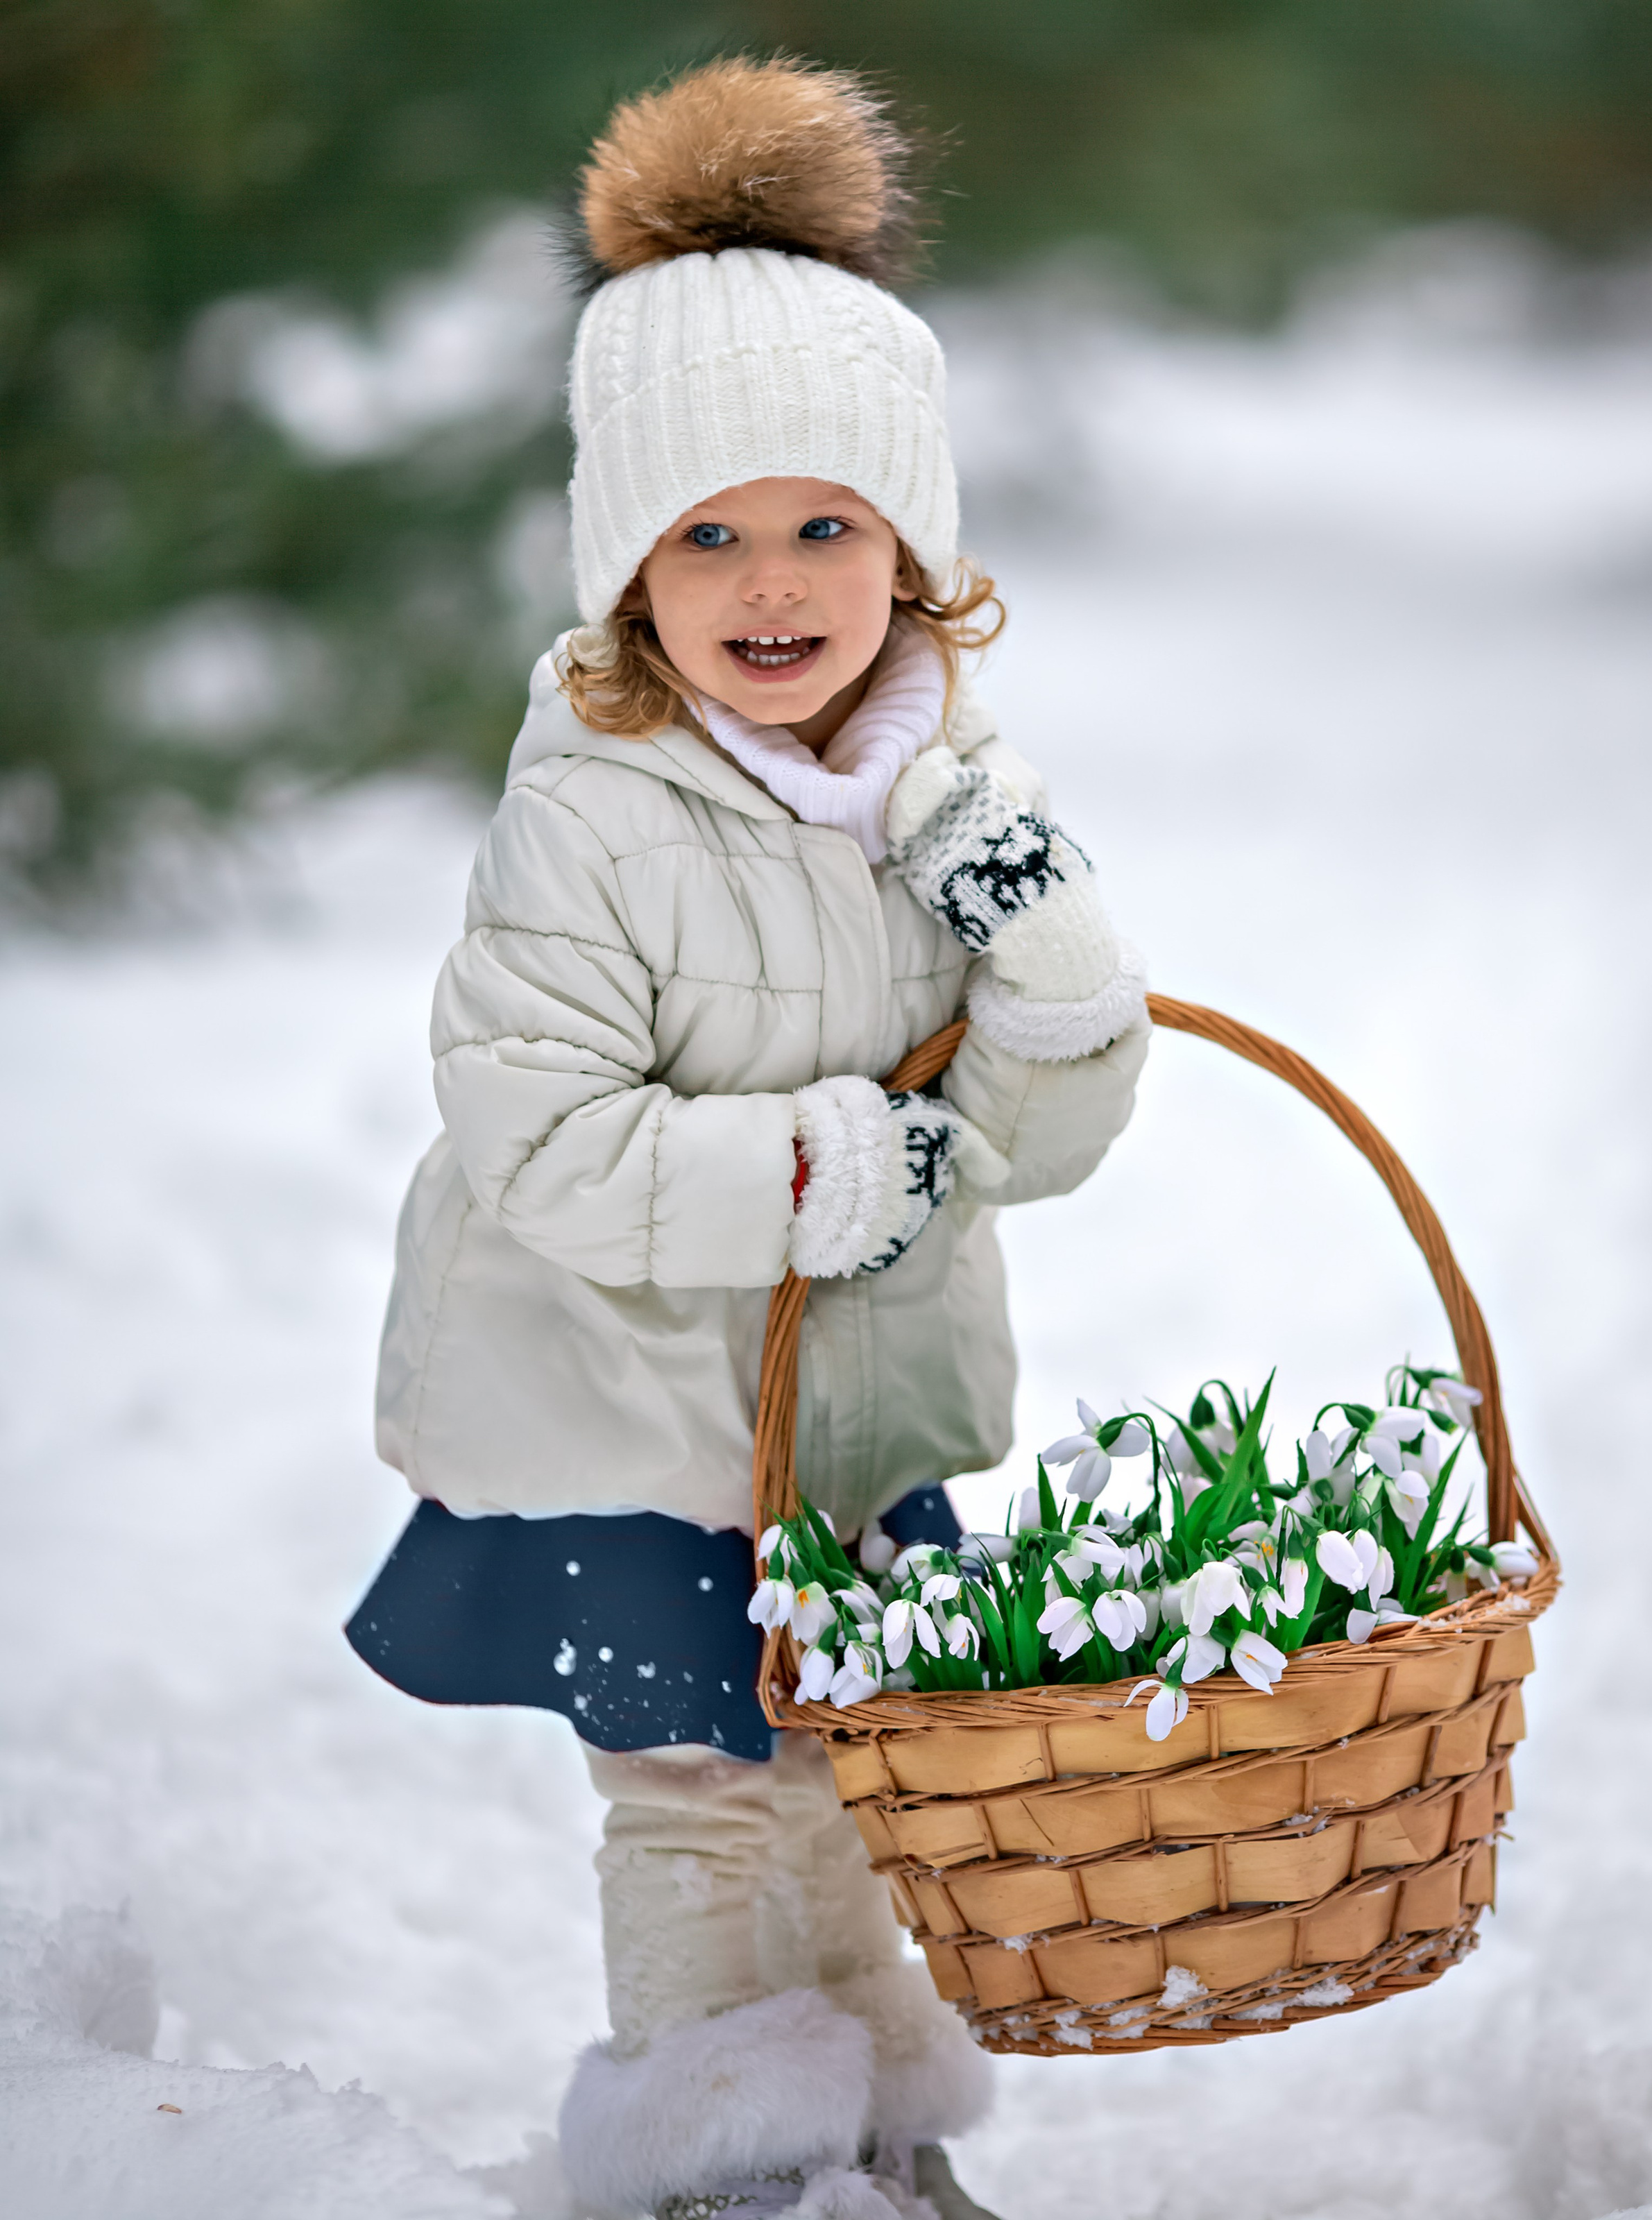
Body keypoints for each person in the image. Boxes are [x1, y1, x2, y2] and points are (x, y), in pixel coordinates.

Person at [350, 56, 1148, 2220]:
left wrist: (1050, 966)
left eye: (826, 523)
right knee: (701, 1783)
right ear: (627, 570)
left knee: (845, 1775)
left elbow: (1022, 1135)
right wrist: (825, 1168)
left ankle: (871, 2122)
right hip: (617, 1398)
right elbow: (544, 1135)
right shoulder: (590, 808)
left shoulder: (947, 786)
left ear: (912, 549)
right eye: (704, 532)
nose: (771, 580)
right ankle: (720, 2149)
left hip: (841, 1416)